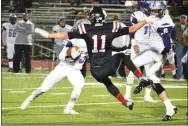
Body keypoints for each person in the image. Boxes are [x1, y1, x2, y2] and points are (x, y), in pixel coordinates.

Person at [35, 6, 157, 110]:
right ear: (103, 17)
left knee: (107, 83)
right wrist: (146, 21)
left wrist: (49, 34)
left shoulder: (86, 29)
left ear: (92, 18)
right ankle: (141, 78)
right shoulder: (111, 27)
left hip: (94, 70)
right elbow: (131, 29)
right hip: (107, 65)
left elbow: (65, 34)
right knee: (123, 55)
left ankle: (125, 102)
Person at [132, 1, 178, 121]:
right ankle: (170, 106)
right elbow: (149, 6)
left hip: (158, 53)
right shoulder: (158, 12)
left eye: (156, 11)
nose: (153, 13)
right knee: (136, 65)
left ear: (161, 11)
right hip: (152, 50)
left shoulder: (165, 24)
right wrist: (137, 2)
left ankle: (144, 82)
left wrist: (162, 55)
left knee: (153, 80)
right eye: (152, 11)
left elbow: (167, 43)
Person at [21, 39, 87, 115]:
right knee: (44, 88)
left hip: (75, 70)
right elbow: (61, 56)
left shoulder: (92, 44)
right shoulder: (74, 40)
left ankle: (69, 108)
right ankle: (30, 99)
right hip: (63, 67)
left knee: (79, 86)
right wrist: (68, 50)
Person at [124, 1, 157, 103]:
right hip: (138, 45)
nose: (154, 12)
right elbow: (131, 30)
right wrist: (133, 43)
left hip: (149, 46)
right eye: (152, 10)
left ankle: (147, 96)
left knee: (151, 72)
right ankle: (127, 94)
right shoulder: (137, 15)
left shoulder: (156, 17)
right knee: (134, 70)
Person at [173, 14, 188, 79]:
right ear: (179, 19)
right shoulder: (175, 26)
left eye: (184, 18)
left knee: (186, 61)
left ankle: (185, 76)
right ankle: (179, 76)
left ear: (186, 19)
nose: (183, 19)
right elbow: (172, 35)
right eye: (181, 18)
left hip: (187, 44)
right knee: (179, 61)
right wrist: (176, 38)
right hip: (179, 44)